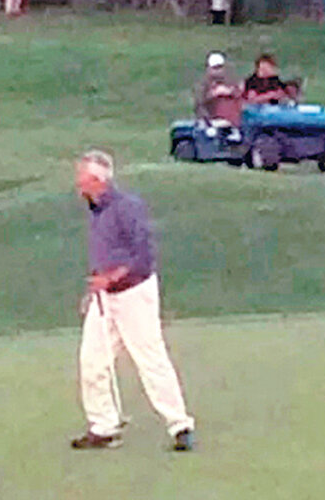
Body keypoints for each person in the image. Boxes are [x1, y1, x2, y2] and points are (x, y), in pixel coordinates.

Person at [70, 150, 196, 452]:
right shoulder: (95, 208)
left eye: (81, 178)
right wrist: (97, 287)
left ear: (97, 180)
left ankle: (179, 425)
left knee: (150, 358)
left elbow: (142, 256)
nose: (77, 184)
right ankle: (103, 427)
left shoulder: (127, 207)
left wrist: (110, 278)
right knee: (93, 361)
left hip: (134, 294)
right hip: (105, 297)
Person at [195, 51, 243, 130]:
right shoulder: (203, 84)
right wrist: (212, 94)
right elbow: (199, 102)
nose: (217, 71)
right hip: (210, 119)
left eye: (219, 67)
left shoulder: (231, 81)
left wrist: (229, 92)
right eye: (214, 68)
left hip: (231, 119)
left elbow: (240, 94)